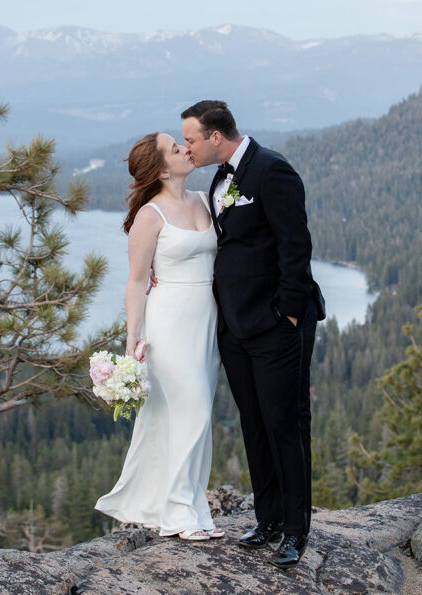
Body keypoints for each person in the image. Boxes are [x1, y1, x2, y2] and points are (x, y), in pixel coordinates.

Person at [181, 100, 324, 569]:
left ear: (216, 137)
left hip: (276, 326)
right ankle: (268, 520)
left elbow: (296, 246)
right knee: (254, 425)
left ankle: (297, 531)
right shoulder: (221, 177)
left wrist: (287, 314)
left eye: (192, 140)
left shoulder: (272, 171)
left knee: (286, 425)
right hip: (235, 328)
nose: (188, 148)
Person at [94, 131, 224, 541]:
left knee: (196, 417)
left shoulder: (206, 200)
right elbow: (135, 282)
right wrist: (133, 341)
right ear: (163, 169)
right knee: (194, 409)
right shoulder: (150, 216)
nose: (187, 148)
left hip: (209, 320)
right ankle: (179, 513)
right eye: (175, 147)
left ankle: (192, 508)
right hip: (169, 321)